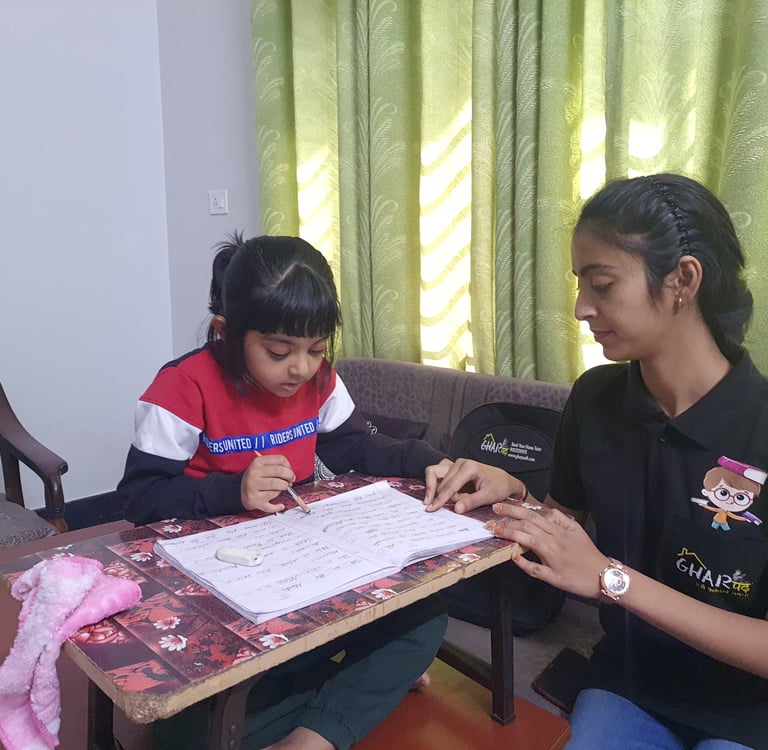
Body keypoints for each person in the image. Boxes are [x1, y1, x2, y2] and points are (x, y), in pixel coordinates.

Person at [423, 174, 768, 749]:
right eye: (581, 284)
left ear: (683, 279)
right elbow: (565, 537)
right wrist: (510, 497)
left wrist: (614, 582)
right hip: (629, 685)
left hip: (747, 711)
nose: (582, 308)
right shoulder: (597, 398)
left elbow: (600, 575)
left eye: (602, 285)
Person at [118, 233, 454, 750]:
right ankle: (348, 693)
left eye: (316, 349)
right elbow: (139, 500)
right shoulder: (183, 386)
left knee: (425, 617)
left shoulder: (317, 379)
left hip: (300, 570)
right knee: (181, 731)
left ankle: (313, 734)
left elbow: (353, 449)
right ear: (225, 333)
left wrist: (433, 462)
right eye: (279, 352)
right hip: (215, 581)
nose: (300, 369)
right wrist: (233, 491)